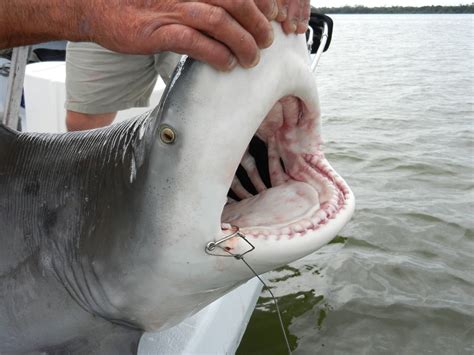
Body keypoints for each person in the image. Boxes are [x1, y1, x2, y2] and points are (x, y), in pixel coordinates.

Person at [0, 0, 311, 129]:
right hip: (97, 8)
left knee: (252, 128)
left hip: (214, 8)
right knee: (81, 125)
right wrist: (86, 12)